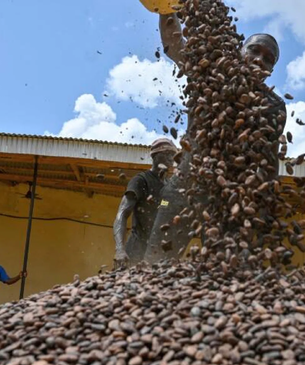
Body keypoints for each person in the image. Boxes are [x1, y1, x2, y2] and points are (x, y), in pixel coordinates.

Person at [141, 3, 287, 264]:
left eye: (268, 59)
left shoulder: (274, 106)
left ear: (271, 70)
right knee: (157, 260)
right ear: (239, 50)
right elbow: (174, 45)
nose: (259, 60)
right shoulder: (210, 69)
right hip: (185, 185)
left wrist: (265, 207)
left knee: (227, 268)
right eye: (254, 51)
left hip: (229, 196)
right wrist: (165, 9)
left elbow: (269, 160)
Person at [113, 138, 178, 268]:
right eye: (167, 154)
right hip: (136, 251)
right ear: (156, 156)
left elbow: (166, 211)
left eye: (173, 155)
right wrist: (119, 249)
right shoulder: (141, 180)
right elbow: (122, 214)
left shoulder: (169, 187)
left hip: (157, 253)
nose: (171, 159)